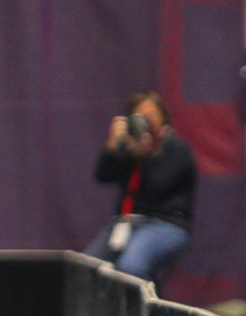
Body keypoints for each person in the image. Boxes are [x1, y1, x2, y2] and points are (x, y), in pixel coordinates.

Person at [82, 90, 197, 284]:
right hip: (125, 223)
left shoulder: (177, 150)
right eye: (139, 117)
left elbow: (157, 186)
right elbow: (103, 176)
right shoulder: (130, 149)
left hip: (165, 223)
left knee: (131, 267)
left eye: (150, 116)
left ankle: (140, 313)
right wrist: (112, 147)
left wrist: (143, 154)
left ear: (163, 119)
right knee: (86, 267)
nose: (145, 122)